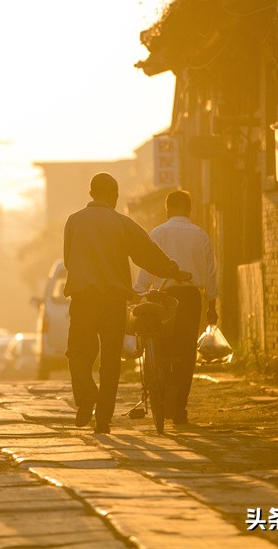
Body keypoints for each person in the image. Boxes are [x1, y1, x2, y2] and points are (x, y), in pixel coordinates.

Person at [63, 172, 189, 434]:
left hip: (83, 299)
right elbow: (147, 254)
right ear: (115, 196)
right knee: (111, 359)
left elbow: (68, 260)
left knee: (78, 352)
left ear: (91, 194)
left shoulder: (73, 222)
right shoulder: (121, 223)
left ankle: (86, 395)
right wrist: (173, 271)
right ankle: (103, 420)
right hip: (113, 301)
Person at [135, 189, 218, 426]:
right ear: (190, 210)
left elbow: (147, 264)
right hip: (192, 298)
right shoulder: (201, 235)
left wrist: (139, 290)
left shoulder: (159, 233)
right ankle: (180, 407)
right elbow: (212, 273)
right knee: (186, 351)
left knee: (162, 346)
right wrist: (212, 304)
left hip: (165, 297)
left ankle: (165, 387)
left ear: (168, 208)